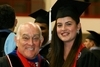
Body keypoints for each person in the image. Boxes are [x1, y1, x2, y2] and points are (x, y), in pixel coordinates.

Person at [47, 0, 95, 67]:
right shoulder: (52, 55)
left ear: (78, 26)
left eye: (68, 24)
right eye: (59, 25)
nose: (63, 29)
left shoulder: (86, 56)